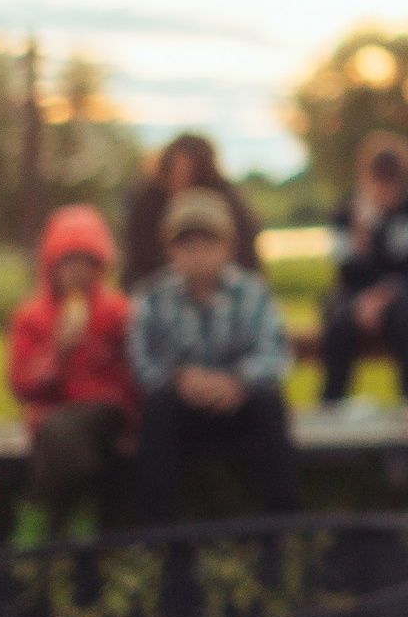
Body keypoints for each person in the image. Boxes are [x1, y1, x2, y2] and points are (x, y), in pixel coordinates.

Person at [127, 189, 297, 520]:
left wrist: (239, 380)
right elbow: (141, 361)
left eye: (208, 242)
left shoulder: (253, 293)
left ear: (229, 246)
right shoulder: (152, 297)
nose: (198, 253)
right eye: (186, 244)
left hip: (238, 407)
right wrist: (179, 379)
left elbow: (276, 352)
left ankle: (280, 526)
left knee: (269, 401)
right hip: (181, 410)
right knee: (157, 408)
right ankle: (160, 532)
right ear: (170, 249)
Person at [6, 204, 142, 545]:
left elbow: (131, 375)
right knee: (60, 434)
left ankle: (32, 523)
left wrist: (135, 425)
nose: (78, 271)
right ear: (51, 265)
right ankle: (83, 520)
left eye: (88, 262)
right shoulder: (31, 316)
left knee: (62, 431)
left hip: (105, 413)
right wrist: (58, 351)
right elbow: (22, 385)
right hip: (53, 421)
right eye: (68, 261)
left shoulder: (117, 312)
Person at [319, 131, 408, 404]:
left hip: (406, 294)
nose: (384, 191)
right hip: (356, 294)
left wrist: (382, 296)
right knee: (338, 320)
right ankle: (332, 403)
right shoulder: (347, 213)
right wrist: (362, 240)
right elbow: (345, 271)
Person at [120, 133, 263, 292]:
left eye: (189, 174)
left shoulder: (230, 205)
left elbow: (248, 259)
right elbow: (135, 262)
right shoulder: (146, 206)